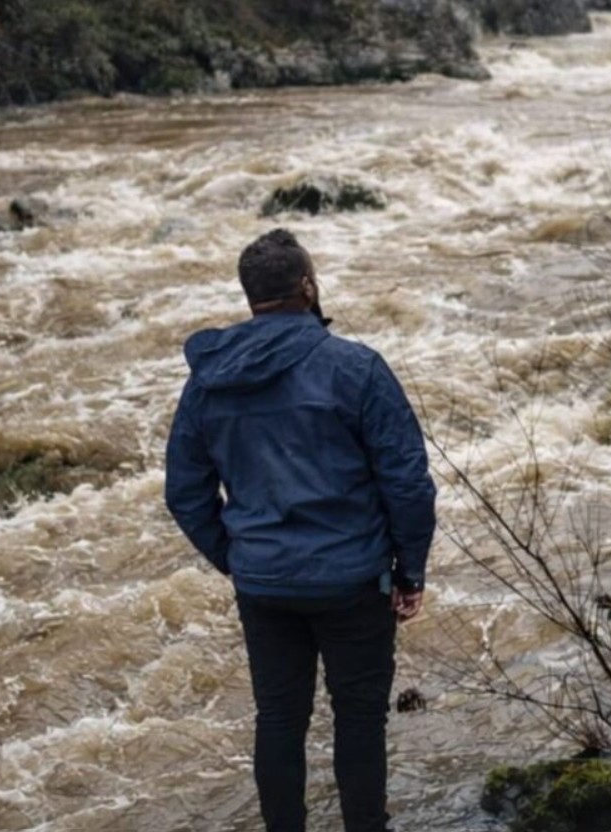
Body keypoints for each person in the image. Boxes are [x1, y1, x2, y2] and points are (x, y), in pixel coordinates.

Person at [165, 228, 437, 832]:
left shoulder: (208, 380)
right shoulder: (356, 368)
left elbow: (184, 491)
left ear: (249, 296)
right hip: (352, 581)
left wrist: (237, 557)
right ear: (308, 287)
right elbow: (408, 482)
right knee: (360, 718)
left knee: (279, 718)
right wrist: (409, 569)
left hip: (264, 582)